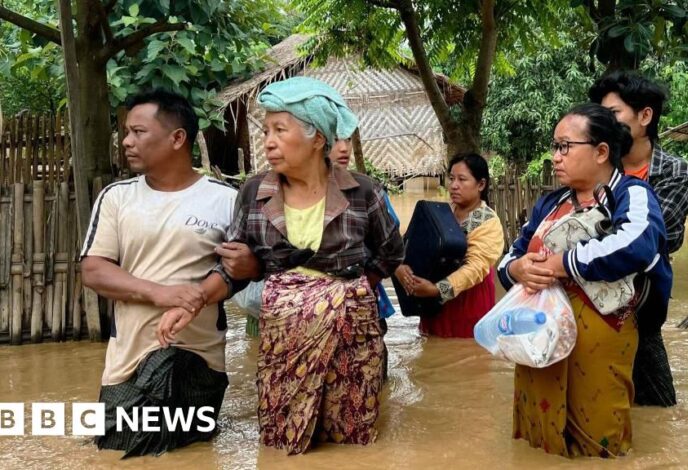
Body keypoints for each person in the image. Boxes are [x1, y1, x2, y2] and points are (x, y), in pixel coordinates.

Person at [158, 76, 404, 455]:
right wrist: (191, 303)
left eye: (280, 130)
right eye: (266, 129)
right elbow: (231, 269)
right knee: (280, 440)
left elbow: (391, 254)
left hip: (352, 342)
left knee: (352, 442)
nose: (268, 140)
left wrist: (348, 292)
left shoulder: (363, 192)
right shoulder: (255, 194)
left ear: (317, 138)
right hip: (283, 343)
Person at [497, 103, 672, 457]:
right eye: (554, 147)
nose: (555, 157)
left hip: (602, 335)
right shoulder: (549, 204)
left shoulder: (632, 195)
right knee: (537, 434)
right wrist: (517, 270)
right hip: (540, 336)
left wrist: (563, 263)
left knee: (598, 438)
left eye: (565, 146)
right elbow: (510, 255)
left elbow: (636, 244)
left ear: (601, 151)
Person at [80, 89, 235, 457]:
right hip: (128, 361)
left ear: (177, 138)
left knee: (193, 455)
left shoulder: (225, 199)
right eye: (126, 133)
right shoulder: (116, 197)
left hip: (199, 359)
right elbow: (94, 269)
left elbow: (239, 270)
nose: (126, 142)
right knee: (115, 452)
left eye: (138, 132)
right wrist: (159, 293)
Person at [589, 71, 688, 407]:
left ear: (645, 116)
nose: (605, 123)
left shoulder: (674, 172)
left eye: (614, 114)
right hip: (589, 296)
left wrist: (601, 232)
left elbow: (664, 238)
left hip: (642, 303)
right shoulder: (594, 166)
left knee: (659, 408)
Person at [395, 153, 504, 338]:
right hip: (431, 300)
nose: (453, 185)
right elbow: (412, 243)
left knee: (466, 353)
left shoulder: (488, 222)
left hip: (468, 301)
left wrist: (438, 289)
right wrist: (400, 267)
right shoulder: (442, 213)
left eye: (462, 179)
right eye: (451, 178)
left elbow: (475, 268)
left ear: (481, 185)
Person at [330, 136, 399, 382]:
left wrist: (362, 286)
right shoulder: (284, 194)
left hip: (364, 305)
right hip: (311, 318)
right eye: (334, 140)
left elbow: (392, 247)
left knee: (369, 391)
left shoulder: (367, 191)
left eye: (347, 139)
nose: (343, 148)